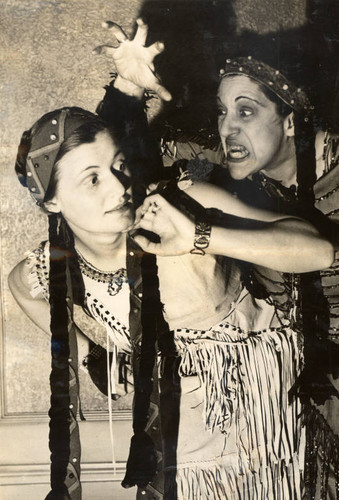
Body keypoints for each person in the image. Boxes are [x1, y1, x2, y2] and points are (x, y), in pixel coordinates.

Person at [96, 18, 339, 499]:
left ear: (291, 120)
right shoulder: (226, 173)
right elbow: (120, 171)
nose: (227, 129)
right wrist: (128, 87)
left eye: (246, 112)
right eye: (222, 113)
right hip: (292, 391)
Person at [8, 105, 167, 500]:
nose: (119, 186)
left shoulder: (167, 224)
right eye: (92, 179)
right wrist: (90, 354)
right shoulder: (58, 264)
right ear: (51, 202)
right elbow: (20, 283)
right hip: (177, 429)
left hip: (248, 406)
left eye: (118, 165)